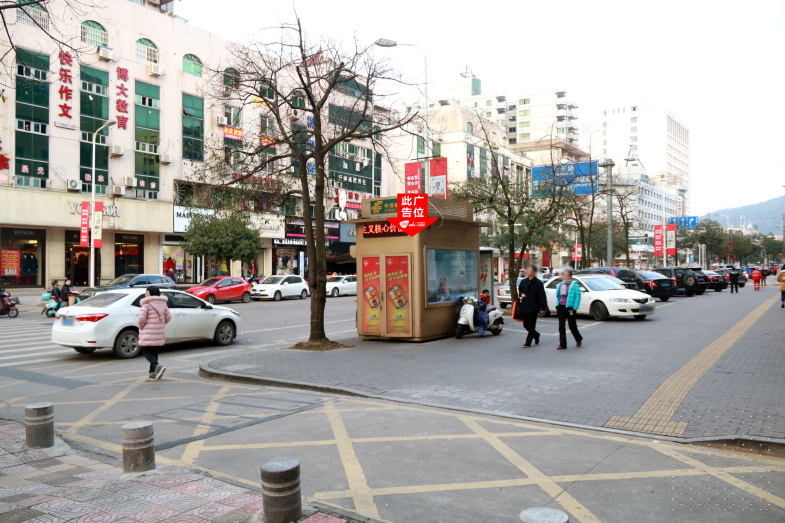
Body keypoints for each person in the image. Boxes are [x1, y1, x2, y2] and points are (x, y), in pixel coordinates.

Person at [138, 286, 171, 381]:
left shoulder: (146, 304)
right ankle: (152, 373)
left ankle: (157, 366)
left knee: (146, 351)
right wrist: (160, 324)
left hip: (148, 331)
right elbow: (168, 317)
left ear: (150, 293)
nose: (145, 294)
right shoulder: (163, 303)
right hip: (158, 331)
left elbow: (141, 318)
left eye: (146, 292)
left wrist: (141, 327)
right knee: (154, 351)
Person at [516, 265, 547, 348]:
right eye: (527, 270)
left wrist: (543, 308)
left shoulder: (538, 283)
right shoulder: (524, 281)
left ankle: (528, 342)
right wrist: (521, 294)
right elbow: (520, 290)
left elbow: (542, 296)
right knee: (526, 325)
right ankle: (536, 335)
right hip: (525, 306)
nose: (528, 272)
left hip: (534, 307)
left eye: (529, 270)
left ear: (534, 272)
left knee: (532, 325)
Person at [555, 268, 583, 350]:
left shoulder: (574, 285)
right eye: (564, 275)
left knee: (572, 325)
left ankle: (578, 339)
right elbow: (558, 296)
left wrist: (575, 308)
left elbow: (578, 297)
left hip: (570, 308)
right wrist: (557, 305)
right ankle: (562, 344)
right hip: (561, 307)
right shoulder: (560, 285)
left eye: (567, 276)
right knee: (561, 326)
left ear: (570, 276)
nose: (565, 277)